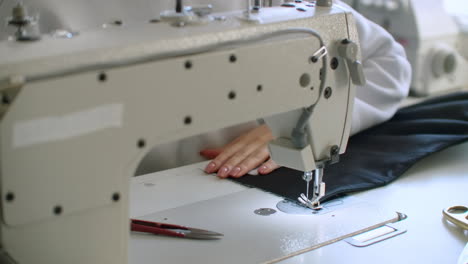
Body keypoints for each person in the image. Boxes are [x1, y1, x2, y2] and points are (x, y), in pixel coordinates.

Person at [135, 0, 411, 177]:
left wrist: (298, 128)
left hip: (242, 182)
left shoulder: (279, 4)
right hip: (141, 189)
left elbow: (389, 63)